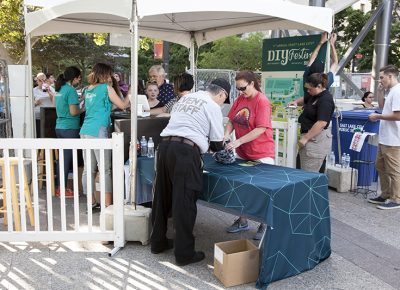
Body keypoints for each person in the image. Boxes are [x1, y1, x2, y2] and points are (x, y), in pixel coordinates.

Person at [150, 78, 230, 266]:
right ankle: (184, 253)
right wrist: (224, 146)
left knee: (162, 197)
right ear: (221, 94)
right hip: (186, 152)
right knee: (184, 201)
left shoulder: (187, 98)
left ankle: (158, 242)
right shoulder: (212, 106)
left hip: (165, 147)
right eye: (223, 100)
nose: (222, 104)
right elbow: (217, 143)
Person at [224, 71, 274, 241]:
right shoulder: (240, 99)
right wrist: (226, 135)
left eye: (243, 88)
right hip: (243, 153)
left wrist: (237, 142)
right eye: (238, 89)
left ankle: (264, 223)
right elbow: (231, 120)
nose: (241, 91)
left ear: (253, 83)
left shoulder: (262, 101)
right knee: (241, 188)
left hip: (261, 153)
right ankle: (243, 220)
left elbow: (260, 128)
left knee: (262, 191)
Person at [80, 63, 130, 208]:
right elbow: (123, 105)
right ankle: (107, 205)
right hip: (99, 130)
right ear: (104, 74)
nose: (110, 76)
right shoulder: (106, 88)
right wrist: (130, 94)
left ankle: (91, 202)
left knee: (88, 168)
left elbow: (102, 107)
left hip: (85, 130)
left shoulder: (88, 89)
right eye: (109, 74)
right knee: (105, 169)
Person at [367, 65, 400, 210]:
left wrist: (378, 116)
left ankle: (396, 199)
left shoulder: (398, 91)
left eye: (382, 77)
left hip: (393, 139)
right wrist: (380, 92)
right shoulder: (392, 91)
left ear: (390, 76)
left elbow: (398, 115)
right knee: (380, 166)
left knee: (393, 170)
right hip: (385, 138)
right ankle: (385, 194)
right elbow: (383, 107)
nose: (380, 80)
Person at [54, 66, 83, 197]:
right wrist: (84, 108)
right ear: (74, 78)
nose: (79, 81)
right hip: (70, 128)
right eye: (79, 78)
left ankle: (59, 187)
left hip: (59, 127)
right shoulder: (71, 90)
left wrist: (81, 100)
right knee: (65, 160)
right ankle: (61, 188)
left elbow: (64, 106)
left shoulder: (59, 89)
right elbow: (73, 111)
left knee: (62, 159)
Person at [297, 73, 335, 173]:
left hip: (315, 140)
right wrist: (295, 102)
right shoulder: (314, 95)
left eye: (310, 89)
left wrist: (305, 138)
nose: (308, 91)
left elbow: (322, 122)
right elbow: (304, 99)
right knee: (303, 172)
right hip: (310, 139)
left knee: (307, 176)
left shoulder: (325, 99)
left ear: (319, 86)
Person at [289, 32, 338, 107]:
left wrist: (321, 43)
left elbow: (311, 59)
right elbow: (335, 62)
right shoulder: (325, 81)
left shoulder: (307, 77)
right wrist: (332, 44)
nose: (308, 90)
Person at [33, 72, 55, 137]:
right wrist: (35, 103)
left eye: (44, 80)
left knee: (48, 136)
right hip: (37, 118)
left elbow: (55, 100)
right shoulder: (33, 90)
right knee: (39, 135)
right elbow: (29, 105)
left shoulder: (51, 89)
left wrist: (48, 91)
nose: (42, 82)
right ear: (37, 81)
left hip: (48, 118)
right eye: (40, 80)